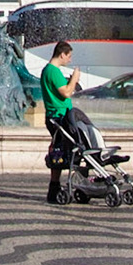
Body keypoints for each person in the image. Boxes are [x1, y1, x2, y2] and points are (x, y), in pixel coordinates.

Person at [41, 40, 84, 204]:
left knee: (60, 151)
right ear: (62, 54)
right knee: (68, 150)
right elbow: (66, 92)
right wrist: (74, 79)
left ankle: (55, 187)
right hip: (59, 116)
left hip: (57, 115)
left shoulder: (49, 70)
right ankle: (58, 187)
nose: (70, 60)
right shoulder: (53, 71)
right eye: (69, 56)